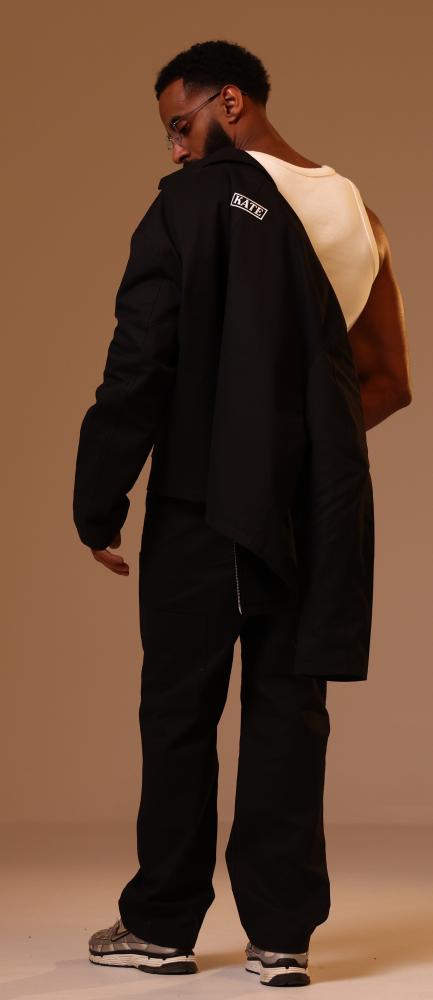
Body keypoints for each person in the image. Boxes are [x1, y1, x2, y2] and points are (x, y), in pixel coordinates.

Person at [73, 40, 412, 988]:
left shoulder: (190, 202)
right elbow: (386, 380)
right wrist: (294, 452)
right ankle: (281, 941)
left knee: (180, 710)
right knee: (288, 711)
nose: (176, 148)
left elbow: (141, 359)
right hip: (314, 510)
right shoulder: (357, 215)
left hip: (204, 504)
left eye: (179, 125)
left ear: (230, 102)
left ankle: (161, 926)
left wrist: (98, 496)